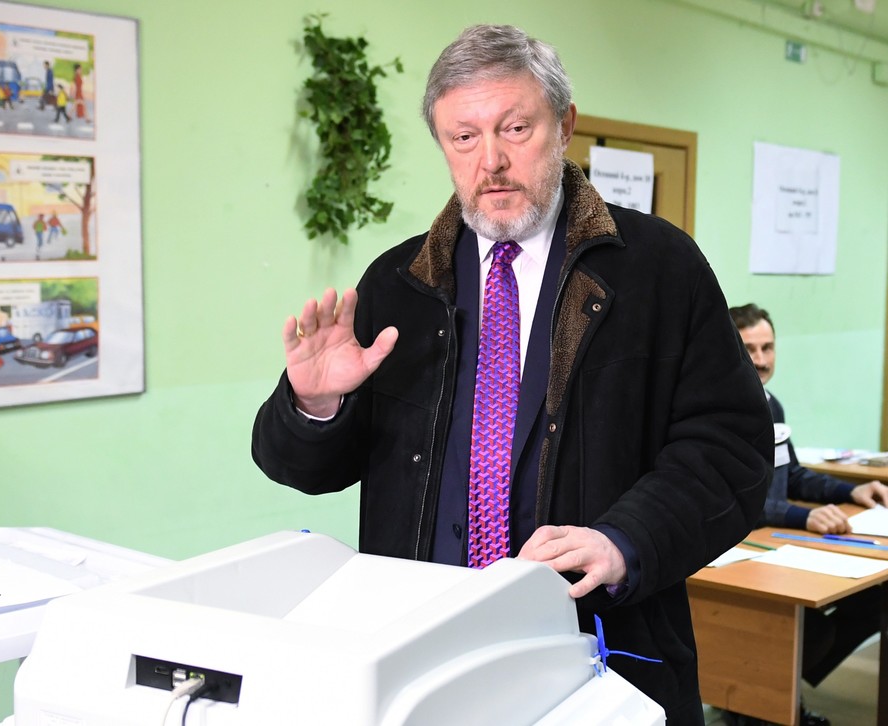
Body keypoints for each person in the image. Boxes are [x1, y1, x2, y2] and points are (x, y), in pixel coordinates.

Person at [252, 25, 772, 724]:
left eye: (515, 128)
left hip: (600, 649)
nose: (491, 161)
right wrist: (314, 404)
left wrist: (626, 540)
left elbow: (731, 450)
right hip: (421, 653)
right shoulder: (397, 284)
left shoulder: (659, 267)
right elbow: (309, 469)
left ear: (565, 126)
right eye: (463, 138)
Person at [727, 302, 886, 725]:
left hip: (776, 546)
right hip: (739, 554)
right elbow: (735, 498)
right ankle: (756, 704)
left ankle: (775, 694)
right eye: (750, 349)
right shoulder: (721, 412)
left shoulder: (771, 404)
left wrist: (852, 490)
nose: (761, 360)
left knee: (874, 600)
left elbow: (791, 474)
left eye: (768, 348)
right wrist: (803, 517)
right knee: (809, 630)